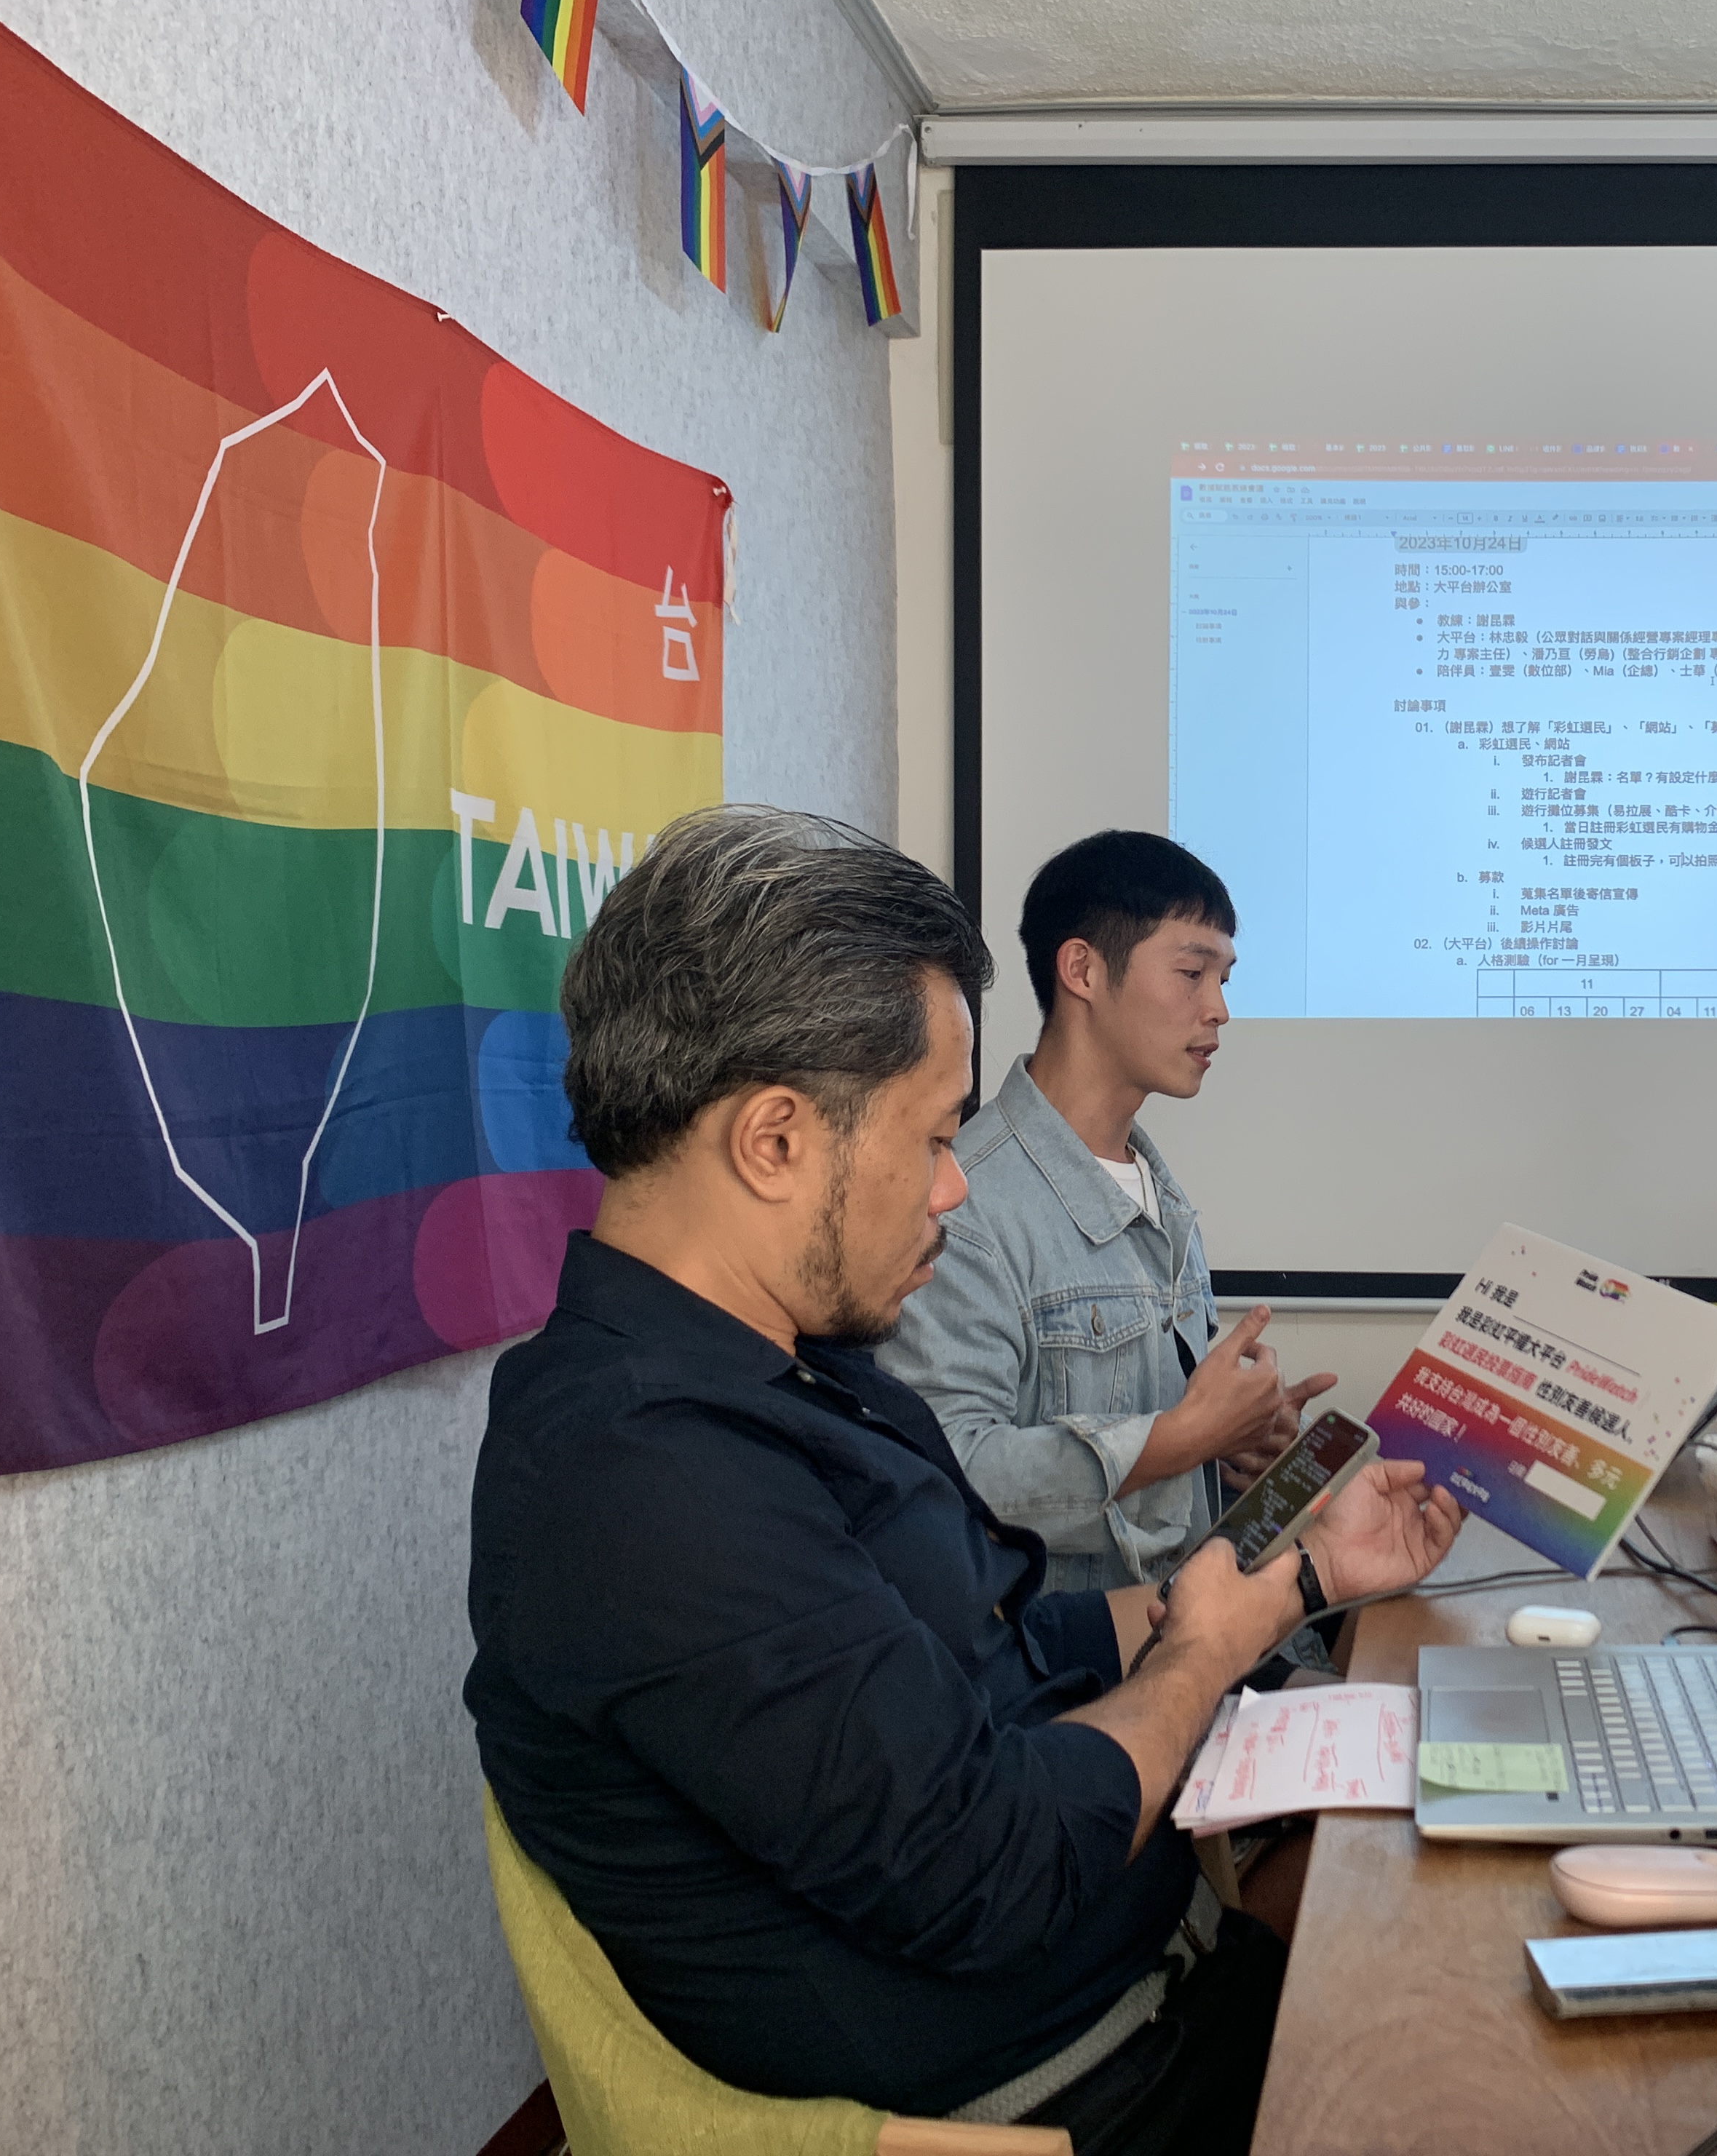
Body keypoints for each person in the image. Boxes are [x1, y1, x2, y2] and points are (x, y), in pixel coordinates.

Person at [462, 808, 1460, 2152]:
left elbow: (994, 1637)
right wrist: (1200, 1657)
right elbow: (993, 1870)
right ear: (774, 1140)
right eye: (935, 1139)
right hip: (1072, 2093)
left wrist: (1305, 1574)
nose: (953, 1190)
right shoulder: (640, 1478)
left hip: (1159, 1968)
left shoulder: (801, 1369)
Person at [883, 830, 1332, 1591]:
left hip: (1185, 1629)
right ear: (1083, 970)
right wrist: (1181, 1439)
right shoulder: (964, 1203)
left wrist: (1233, 1442)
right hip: (1065, 1655)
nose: (1219, 1009)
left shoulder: (1161, 1194)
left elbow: (1170, 1464)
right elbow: (949, 1474)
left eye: (1224, 979)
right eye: (1192, 973)